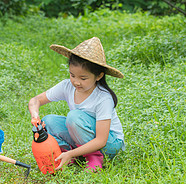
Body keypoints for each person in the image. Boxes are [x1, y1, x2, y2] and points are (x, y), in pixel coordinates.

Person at [28, 37, 125, 172]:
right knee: (48, 121)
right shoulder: (67, 86)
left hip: (110, 143)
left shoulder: (103, 98)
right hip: (86, 136)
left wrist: (72, 153)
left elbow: (101, 140)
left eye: (83, 78)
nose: (76, 82)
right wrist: (35, 116)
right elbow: (35, 100)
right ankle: (71, 154)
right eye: (72, 75)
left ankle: (94, 157)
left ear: (98, 76)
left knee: (74, 117)